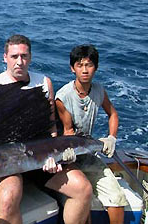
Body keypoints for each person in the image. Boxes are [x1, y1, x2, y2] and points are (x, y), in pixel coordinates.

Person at [0, 35, 92, 224]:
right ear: (4, 57)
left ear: (30, 57)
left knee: (83, 188)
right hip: (6, 163)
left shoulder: (44, 82)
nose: (19, 62)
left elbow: (51, 125)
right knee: (8, 198)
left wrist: (55, 154)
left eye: (24, 56)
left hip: (42, 160)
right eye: (14, 56)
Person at [55, 44, 128, 224]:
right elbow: (68, 132)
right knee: (83, 202)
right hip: (68, 158)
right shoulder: (63, 97)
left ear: (96, 67)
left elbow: (113, 114)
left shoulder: (98, 90)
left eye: (89, 65)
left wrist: (112, 137)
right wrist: (68, 152)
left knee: (117, 199)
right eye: (80, 65)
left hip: (88, 154)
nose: (85, 70)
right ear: (72, 68)